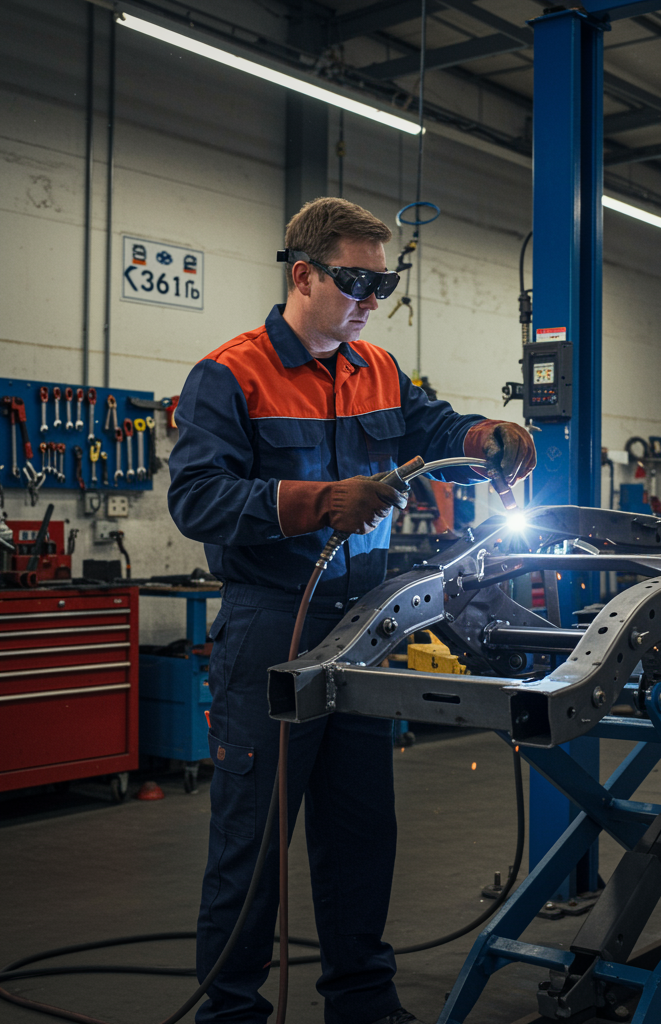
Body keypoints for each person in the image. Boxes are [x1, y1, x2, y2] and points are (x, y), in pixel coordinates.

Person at [167, 196, 536, 1024]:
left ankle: (363, 1003)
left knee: (362, 828)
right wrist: (317, 500)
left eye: (384, 282)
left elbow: (431, 425)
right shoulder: (230, 374)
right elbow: (196, 500)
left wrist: (484, 438)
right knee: (252, 842)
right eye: (354, 281)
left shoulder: (380, 369)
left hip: (364, 622)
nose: (370, 298)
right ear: (304, 274)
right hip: (271, 619)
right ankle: (229, 1012)